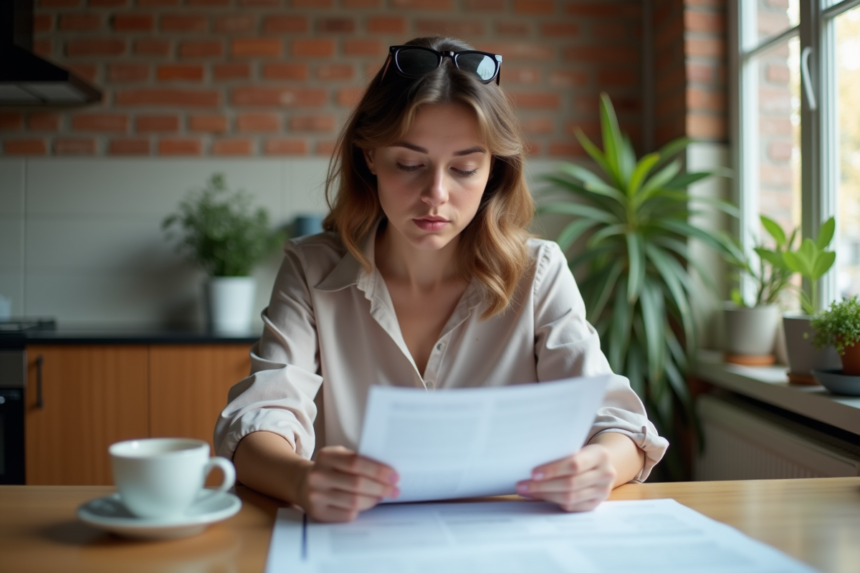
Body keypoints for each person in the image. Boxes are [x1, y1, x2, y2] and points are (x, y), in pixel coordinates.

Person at [214, 36, 668, 523]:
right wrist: (301, 479)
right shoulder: (311, 270)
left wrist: (600, 463)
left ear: (493, 170)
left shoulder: (539, 272)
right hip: (355, 543)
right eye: (409, 165)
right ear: (370, 157)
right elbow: (258, 418)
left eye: (465, 169)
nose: (436, 194)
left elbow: (618, 422)